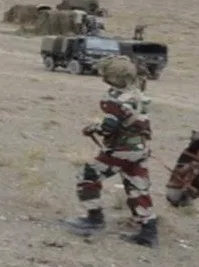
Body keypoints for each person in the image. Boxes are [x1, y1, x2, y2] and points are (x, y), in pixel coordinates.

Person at [64, 56, 158, 247]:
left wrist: (93, 129)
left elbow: (109, 127)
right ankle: (149, 231)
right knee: (137, 186)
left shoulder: (115, 100)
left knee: (88, 175)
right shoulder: (138, 95)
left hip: (121, 149)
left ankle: (94, 218)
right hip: (139, 149)